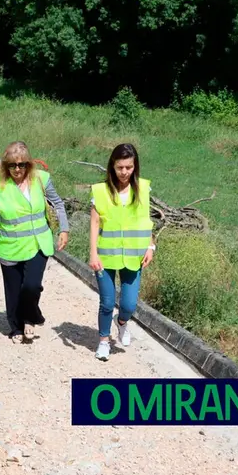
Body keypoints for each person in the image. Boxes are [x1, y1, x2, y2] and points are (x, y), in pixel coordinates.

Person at [0, 142, 69, 343]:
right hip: (10, 245)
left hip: (38, 243)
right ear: (6, 166)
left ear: (28, 164)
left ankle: (31, 316)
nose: (17, 169)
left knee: (31, 285)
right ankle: (16, 328)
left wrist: (64, 228)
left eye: (22, 164)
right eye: (12, 165)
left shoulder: (41, 179)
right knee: (13, 291)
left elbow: (57, 203)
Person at [88, 143, 156, 361]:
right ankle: (104, 341)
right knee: (107, 303)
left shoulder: (143, 189)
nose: (124, 172)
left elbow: (147, 221)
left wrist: (151, 246)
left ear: (135, 166)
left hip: (134, 256)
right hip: (106, 256)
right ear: (112, 167)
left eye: (128, 167)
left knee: (128, 305)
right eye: (120, 167)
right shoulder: (100, 191)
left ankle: (122, 322)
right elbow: (95, 222)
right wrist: (93, 253)